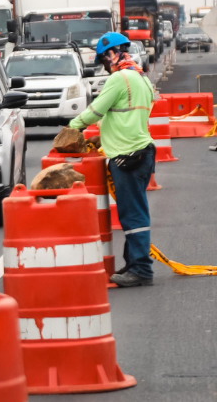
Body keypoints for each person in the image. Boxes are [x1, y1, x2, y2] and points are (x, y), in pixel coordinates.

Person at [68, 32, 155, 288]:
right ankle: (134, 263)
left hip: (128, 156)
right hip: (142, 151)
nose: (106, 67)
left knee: (132, 215)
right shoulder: (141, 77)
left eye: (104, 61)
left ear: (110, 54)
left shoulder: (119, 79)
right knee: (135, 212)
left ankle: (141, 269)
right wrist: (105, 137)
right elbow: (124, 115)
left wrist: (71, 129)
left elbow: (95, 111)